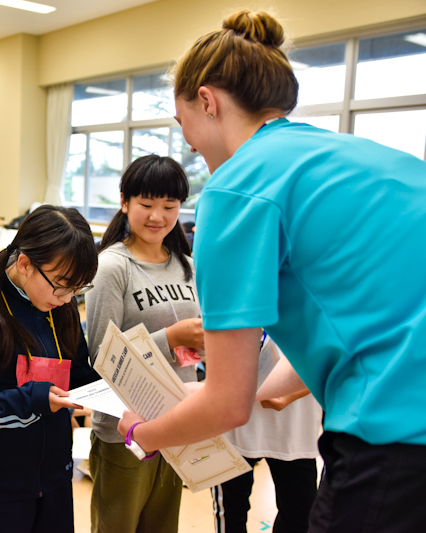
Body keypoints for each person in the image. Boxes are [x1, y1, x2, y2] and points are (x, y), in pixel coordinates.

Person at [116, 10, 426, 532]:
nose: (187, 142)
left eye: (182, 121)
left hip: (395, 436)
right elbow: (366, 321)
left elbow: (227, 406)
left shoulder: (238, 187)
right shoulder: (370, 158)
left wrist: (140, 435)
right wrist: (245, 390)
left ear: (207, 101)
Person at [0, 205, 100, 533]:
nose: (68, 298)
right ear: (25, 264)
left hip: (54, 478)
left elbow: (77, 374)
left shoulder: (61, 306)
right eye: (62, 285)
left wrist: (114, 379)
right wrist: (31, 400)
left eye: (77, 288)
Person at [85, 155, 202, 533]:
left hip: (177, 420)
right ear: (124, 202)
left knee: (163, 526)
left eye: (169, 206)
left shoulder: (186, 265)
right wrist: (172, 337)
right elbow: (101, 356)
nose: (158, 216)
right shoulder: (111, 266)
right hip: (125, 428)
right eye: (147, 204)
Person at [211, 333, 321, 533]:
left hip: (296, 427)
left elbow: (333, 359)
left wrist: (292, 393)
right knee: (231, 516)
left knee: (300, 517)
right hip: (234, 425)